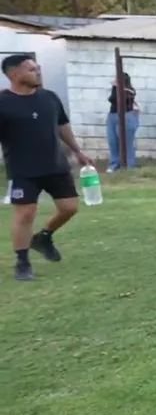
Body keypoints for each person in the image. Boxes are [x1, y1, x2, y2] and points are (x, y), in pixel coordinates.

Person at [0, 54, 95, 281]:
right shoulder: (3, 102)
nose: (38, 72)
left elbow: (62, 125)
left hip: (55, 164)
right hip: (23, 169)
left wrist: (77, 151)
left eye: (38, 68)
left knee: (69, 208)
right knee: (25, 213)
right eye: (31, 69)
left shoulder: (49, 97)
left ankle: (43, 237)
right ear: (14, 74)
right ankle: (22, 263)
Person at [106, 72, 142, 172]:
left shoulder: (129, 90)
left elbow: (113, 99)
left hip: (126, 116)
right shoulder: (118, 89)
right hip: (113, 116)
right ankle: (115, 164)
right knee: (113, 141)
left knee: (126, 143)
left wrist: (115, 86)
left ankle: (129, 166)